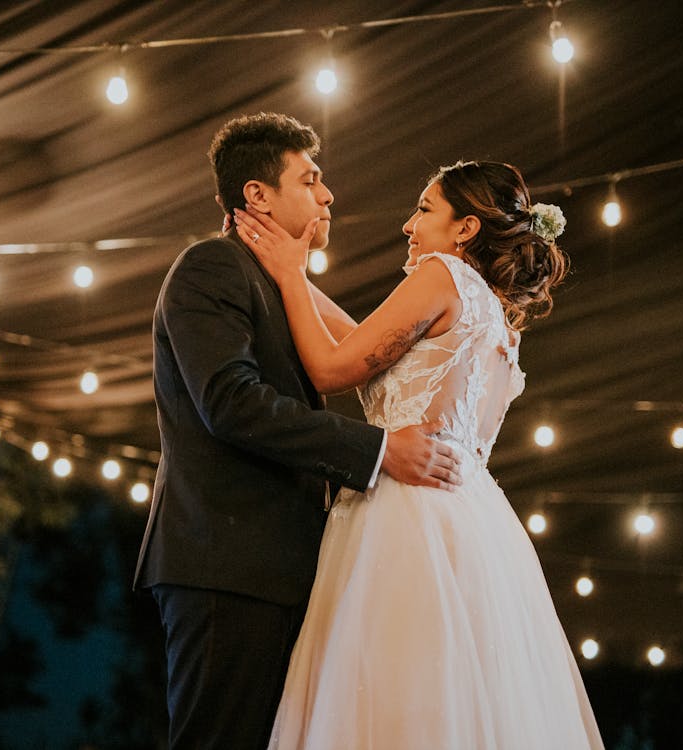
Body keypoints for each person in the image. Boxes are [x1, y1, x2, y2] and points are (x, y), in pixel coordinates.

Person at [233, 159, 605, 748]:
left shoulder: (441, 275)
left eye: (425, 210)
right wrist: (291, 275)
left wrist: (289, 273)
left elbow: (332, 368)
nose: (409, 225)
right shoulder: (500, 322)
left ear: (465, 230)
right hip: (476, 527)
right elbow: (365, 344)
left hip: (404, 513)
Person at [132, 112, 462, 750]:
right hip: (229, 562)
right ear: (256, 195)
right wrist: (378, 451)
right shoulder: (210, 267)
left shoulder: (280, 286)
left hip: (281, 567)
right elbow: (232, 403)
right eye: (311, 180)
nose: (329, 195)